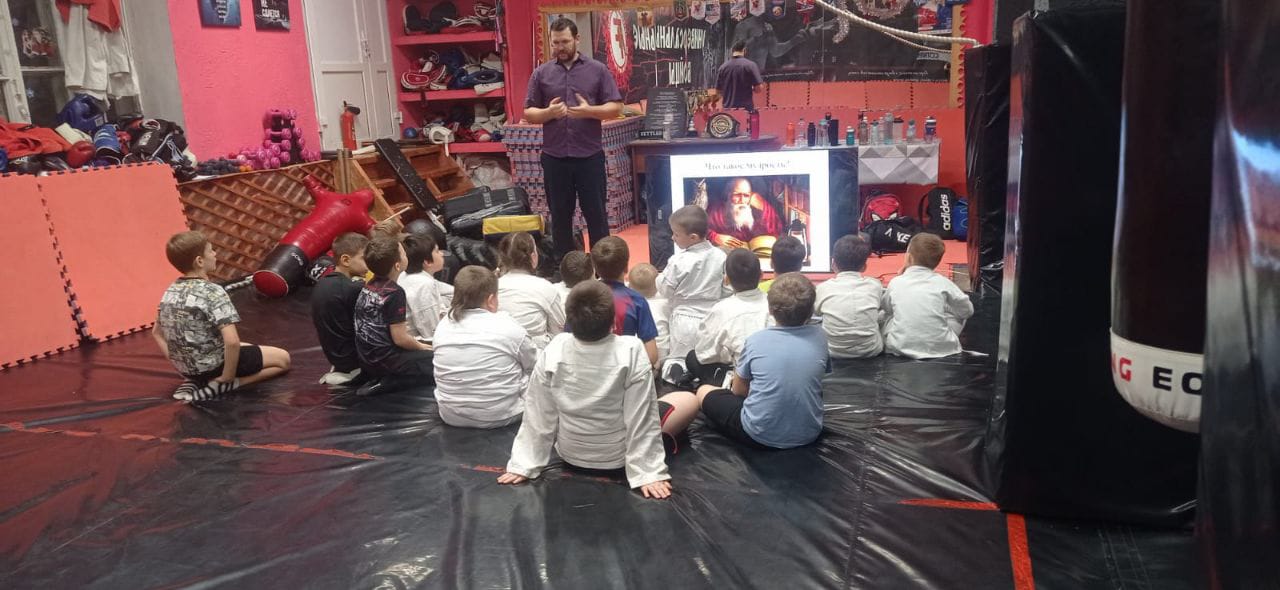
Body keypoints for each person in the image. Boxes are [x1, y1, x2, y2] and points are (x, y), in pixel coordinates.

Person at [498, 281, 700, 499]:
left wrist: (523, 464)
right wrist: (648, 472)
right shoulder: (631, 350)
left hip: (570, 455)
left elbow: (538, 415)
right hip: (617, 459)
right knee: (688, 400)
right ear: (613, 322)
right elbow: (641, 417)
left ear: (569, 321)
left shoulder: (555, 348)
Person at [524, 17, 624, 259]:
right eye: (556, 43)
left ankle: (603, 266)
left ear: (577, 39)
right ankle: (565, 268)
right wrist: (549, 113)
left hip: (589, 156)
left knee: (596, 215)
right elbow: (529, 112)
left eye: (565, 42)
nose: (560, 47)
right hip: (555, 157)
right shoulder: (541, 74)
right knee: (559, 217)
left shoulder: (597, 70)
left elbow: (616, 107)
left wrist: (589, 111)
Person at [694, 273, 829, 449]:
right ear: (811, 311)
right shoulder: (820, 336)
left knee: (703, 391)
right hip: (809, 432)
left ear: (770, 310)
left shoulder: (756, 340)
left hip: (758, 434)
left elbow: (739, 391)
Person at [154, 231, 291, 401]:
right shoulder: (213, 292)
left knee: (247, 346)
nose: (215, 254)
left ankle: (194, 380)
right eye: (211, 250)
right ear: (200, 261)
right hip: (214, 367)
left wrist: (181, 365)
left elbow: (156, 333)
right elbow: (231, 341)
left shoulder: (170, 291)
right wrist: (227, 376)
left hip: (187, 369)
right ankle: (228, 384)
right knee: (283, 359)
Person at [432, 266, 536, 428]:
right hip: (500, 416)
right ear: (491, 300)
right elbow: (533, 365)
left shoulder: (442, 325)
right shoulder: (508, 326)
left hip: (450, 415)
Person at [353, 236, 433, 393]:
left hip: (366, 358)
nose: (406, 254)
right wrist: (423, 347)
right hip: (386, 362)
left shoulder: (369, 285)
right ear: (397, 265)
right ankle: (389, 382)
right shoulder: (395, 292)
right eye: (403, 253)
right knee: (436, 359)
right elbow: (400, 339)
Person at [683, 248, 771, 389]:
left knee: (692, 358)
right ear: (761, 275)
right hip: (773, 372)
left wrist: (727, 354)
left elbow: (704, 354)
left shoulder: (721, 309)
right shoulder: (773, 303)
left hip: (742, 380)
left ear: (726, 280)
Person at [658, 205, 728, 379]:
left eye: (676, 234)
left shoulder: (678, 260)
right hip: (713, 317)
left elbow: (665, 289)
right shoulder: (721, 256)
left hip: (684, 319)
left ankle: (678, 376)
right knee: (708, 356)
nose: (672, 237)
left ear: (693, 237)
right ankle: (708, 378)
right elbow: (727, 289)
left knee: (679, 357)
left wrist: (658, 280)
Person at [882, 233, 975, 359]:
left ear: (909, 257)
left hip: (900, 346)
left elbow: (887, 309)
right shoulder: (943, 282)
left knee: (884, 315)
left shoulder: (896, 282)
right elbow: (967, 311)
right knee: (958, 314)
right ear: (937, 261)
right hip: (943, 347)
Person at [591, 236, 660, 367]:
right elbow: (652, 356)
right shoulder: (637, 301)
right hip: (623, 366)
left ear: (595, 269)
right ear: (626, 267)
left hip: (588, 366)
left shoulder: (582, 295)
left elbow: (567, 337)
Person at [311, 232, 369, 385]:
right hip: (354, 362)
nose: (369, 263)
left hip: (337, 358)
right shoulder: (352, 289)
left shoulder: (322, 284)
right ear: (346, 260)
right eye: (364, 258)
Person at [815, 234, 884, 358]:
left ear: (833, 263)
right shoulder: (875, 285)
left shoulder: (822, 288)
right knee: (884, 314)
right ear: (864, 267)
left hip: (832, 351)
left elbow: (816, 313)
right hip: (870, 350)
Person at [496, 232, 565, 349]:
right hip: (537, 353)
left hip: (500, 350)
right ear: (533, 257)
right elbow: (559, 333)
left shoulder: (493, 287)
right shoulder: (546, 288)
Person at [399, 233, 454, 342]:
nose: (442, 254)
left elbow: (453, 291)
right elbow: (431, 332)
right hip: (420, 343)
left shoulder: (406, 275)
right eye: (437, 251)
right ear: (427, 262)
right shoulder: (424, 285)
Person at [706, 177, 784, 249]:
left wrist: (762, 207)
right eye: (737, 195)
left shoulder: (759, 207)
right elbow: (703, 229)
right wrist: (715, 237)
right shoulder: (716, 211)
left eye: (746, 195)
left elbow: (776, 229)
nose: (742, 200)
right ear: (728, 195)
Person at [627, 263, 669, 366]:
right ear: (658, 285)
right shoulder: (666, 303)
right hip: (664, 354)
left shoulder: (630, 306)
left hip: (641, 356)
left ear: (630, 287)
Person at [715, 40, 764, 110]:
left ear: (732, 51)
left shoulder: (722, 68)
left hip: (727, 111)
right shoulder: (750, 65)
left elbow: (718, 92)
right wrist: (751, 88)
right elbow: (759, 88)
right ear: (744, 50)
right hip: (746, 110)